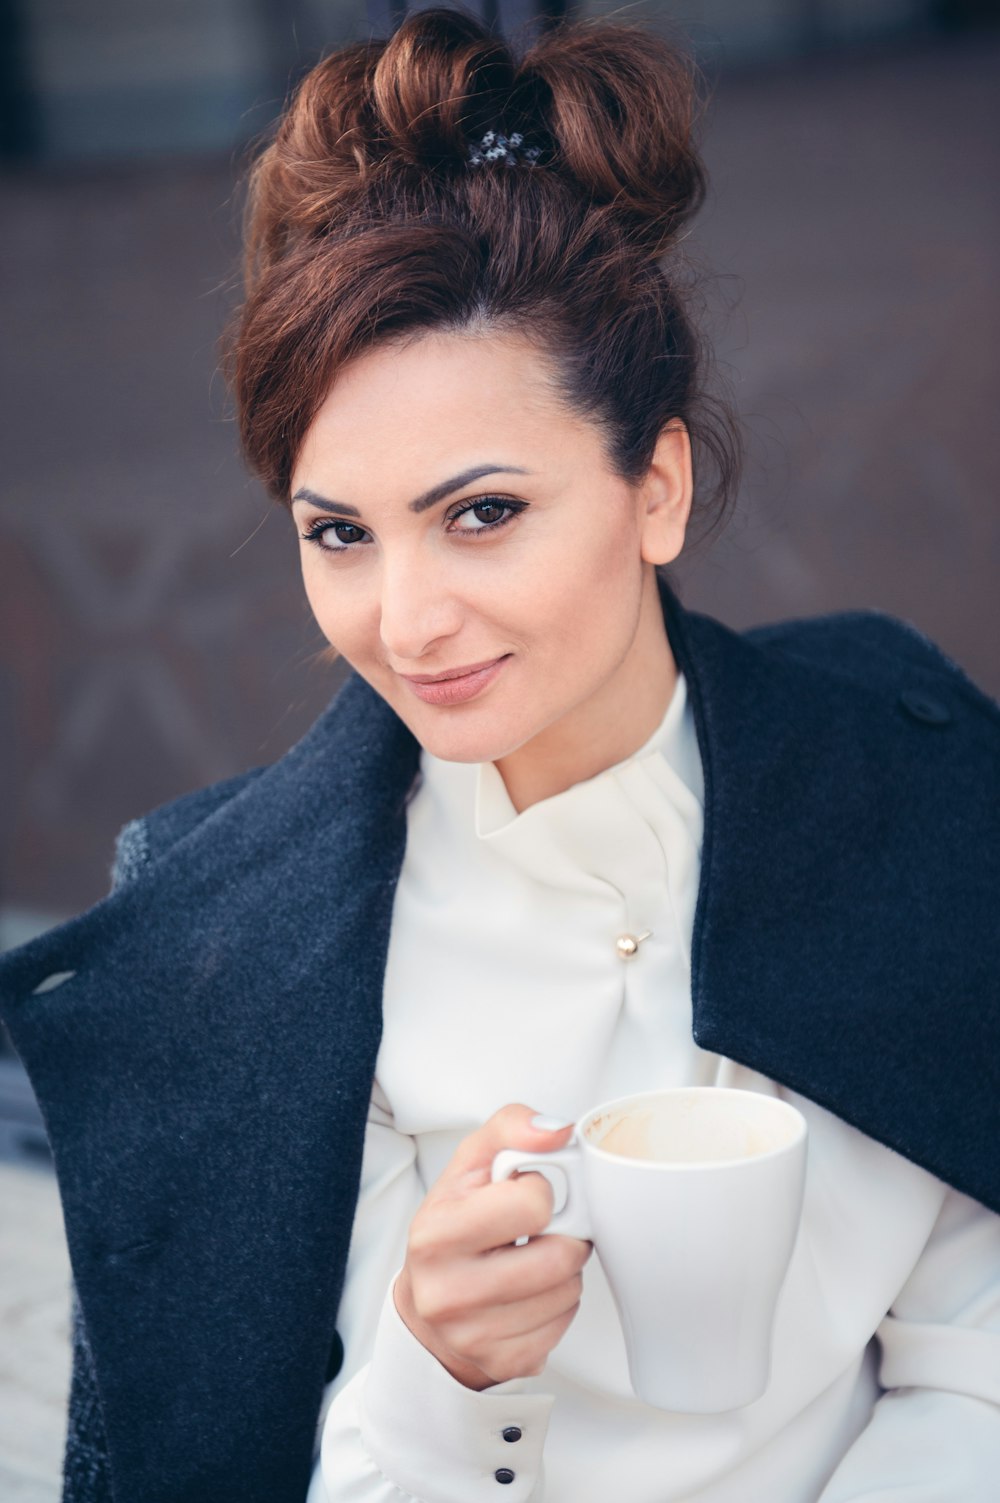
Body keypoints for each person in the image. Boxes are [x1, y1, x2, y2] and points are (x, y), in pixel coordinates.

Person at [2, 7, 999, 1502]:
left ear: (655, 487)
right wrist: (445, 1375)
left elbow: (975, 1365)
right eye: (338, 533)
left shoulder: (903, 775)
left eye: (482, 513)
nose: (406, 623)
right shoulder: (237, 953)